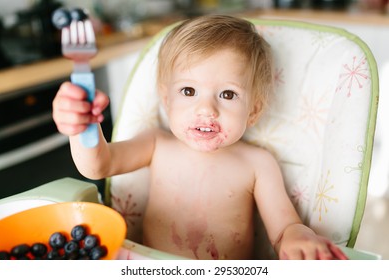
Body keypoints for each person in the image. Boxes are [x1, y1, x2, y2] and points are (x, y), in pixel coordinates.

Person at [52, 15, 347, 260]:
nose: (206, 109)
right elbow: (98, 166)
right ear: (167, 100)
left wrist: (298, 237)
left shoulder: (258, 163)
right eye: (188, 91)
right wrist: (80, 128)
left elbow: (285, 229)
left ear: (253, 111)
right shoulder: (156, 144)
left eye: (228, 94)